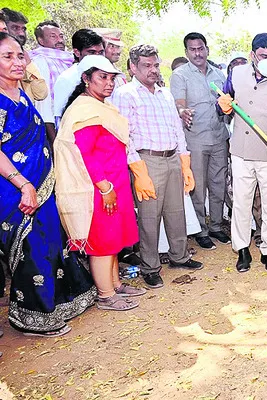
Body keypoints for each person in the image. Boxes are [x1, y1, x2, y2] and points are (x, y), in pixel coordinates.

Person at [0, 32, 96, 336]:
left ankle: (56, 303)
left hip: (42, 180)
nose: (17, 62)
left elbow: (40, 94)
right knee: (32, 247)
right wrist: (23, 184)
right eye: (7, 56)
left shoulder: (22, 91)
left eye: (20, 55)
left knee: (51, 241)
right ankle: (31, 317)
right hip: (15, 188)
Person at [55, 55, 144, 310]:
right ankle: (105, 295)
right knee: (104, 242)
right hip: (99, 187)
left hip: (115, 182)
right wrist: (105, 187)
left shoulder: (101, 106)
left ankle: (115, 284)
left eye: (112, 78)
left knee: (115, 238)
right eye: (102, 78)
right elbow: (88, 154)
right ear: (85, 79)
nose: (109, 83)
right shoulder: (84, 109)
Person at [111, 44, 203, 289]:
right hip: (147, 160)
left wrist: (185, 162)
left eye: (155, 65)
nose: (153, 70)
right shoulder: (125, 94)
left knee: (176, 211)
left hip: (173, 157)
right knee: (150, 217)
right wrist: (137, 170)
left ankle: (179, 256)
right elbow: (125, 136)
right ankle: (150, 267)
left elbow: (177, 128)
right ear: (132, 67)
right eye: (146, 65)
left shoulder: (165, 93)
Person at [217, 33, 267, 273]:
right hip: (240, 151)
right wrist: (223, 105)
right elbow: (225, 98)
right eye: (263, 56)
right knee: (241, 203)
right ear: (252, 55)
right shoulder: (236, 74)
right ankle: (242, 249)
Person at [171, 32, 231, 249]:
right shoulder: (180, 75)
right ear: (186, 52)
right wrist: (182, 110)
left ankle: (215, 226)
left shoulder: (219, 75)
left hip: (219, 137)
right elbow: (178, 103)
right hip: (195, 139)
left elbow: (227, 102)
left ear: (207, 49)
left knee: (218, 184)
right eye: (192, 49)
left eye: (200, 48)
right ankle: (200, 230)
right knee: (197, 186)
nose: (197, 53)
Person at [30, 20, 74, 146]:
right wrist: (53, 140)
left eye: (61, 36)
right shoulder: (40, 61)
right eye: (53, 36)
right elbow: (44, 104)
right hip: (55, 132)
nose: (59, 40)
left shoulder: (69, 60)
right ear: (41, 41)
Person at [53, 29, 105, 124]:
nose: (98, 57)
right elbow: (61, 119)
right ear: (77, 52)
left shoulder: (108, 77)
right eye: (92, 52)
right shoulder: (67, 79)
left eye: (101, 52)